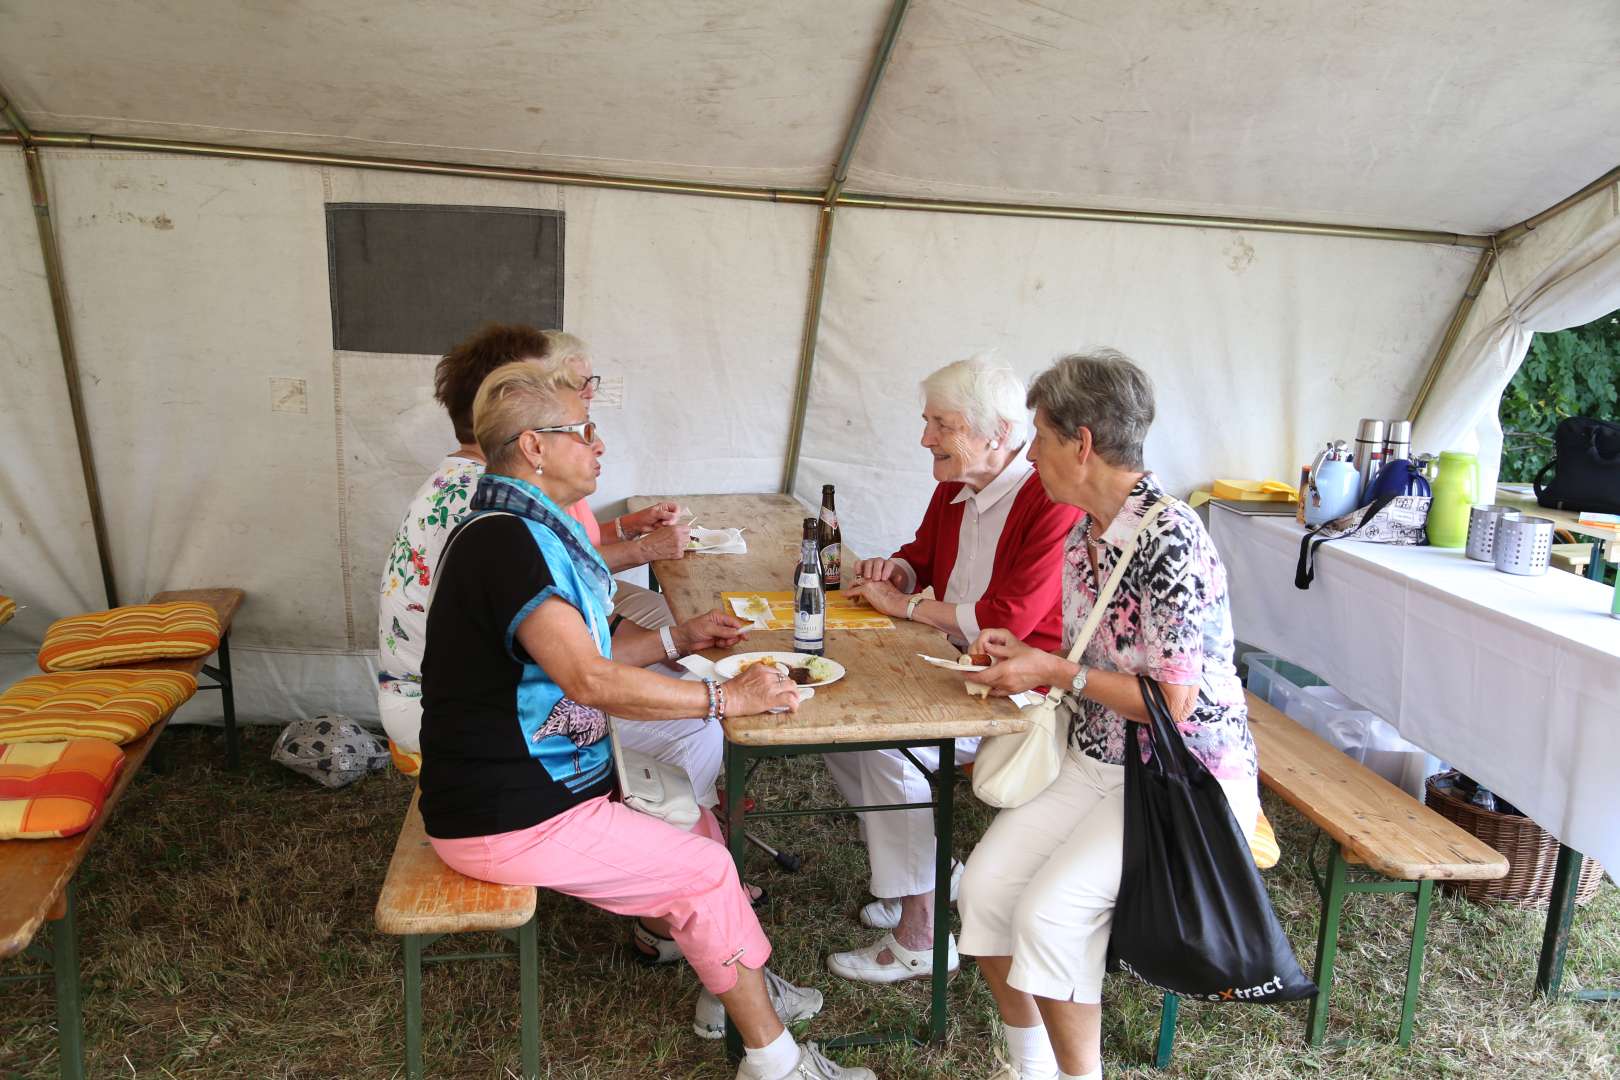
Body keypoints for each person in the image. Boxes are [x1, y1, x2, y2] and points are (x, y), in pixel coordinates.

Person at [419, 362, 875, 1080]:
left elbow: (586, 654)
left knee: (690, 817)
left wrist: (680, 640)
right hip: (505, 813)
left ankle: (729, 988)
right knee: (702, 870)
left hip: (539, 786)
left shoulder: (520, 529)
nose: (599, 445)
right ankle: (777, 1063)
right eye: (585, 431)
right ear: (535, 447)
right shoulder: (506, 543)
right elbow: (589, 679)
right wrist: (726, 700)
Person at [956, 350, 1261, 1080]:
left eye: (1040, 436)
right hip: (1098, 764)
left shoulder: (1169, 537)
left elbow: (1174, 702)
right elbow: (1094, 660)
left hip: (1177, 780)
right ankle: (1030, 1067)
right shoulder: (1084, 532)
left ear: (1082, 443)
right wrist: (1025, 650)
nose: (1031, 454)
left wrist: (1055, 670)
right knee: (987, 887)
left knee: (1050, 914)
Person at [825, 355, 1078, 985]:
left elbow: (1010, 617)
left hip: (1020, 683)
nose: (925, 438)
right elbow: (922, 556)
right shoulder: (957, 483)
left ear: (996, 432)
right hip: (956, 666)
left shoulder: (1048, 499)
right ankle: (924, 871)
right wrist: (898, 573)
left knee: (892, 746)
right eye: (928, 421)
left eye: (942, 424)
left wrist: (906, 605)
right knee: (834, 724)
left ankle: (921, 933)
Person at [376, 324, 689, 776]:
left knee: (669, 675)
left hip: (457, 692)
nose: (577, 396)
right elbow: (583, 671)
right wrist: (695, 670)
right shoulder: (488, 504)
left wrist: (674, 643)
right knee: (692, 729)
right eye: (554, 386)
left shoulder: (473, 481)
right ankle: (642, 827)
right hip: (449, 710)